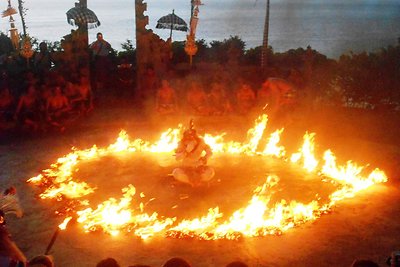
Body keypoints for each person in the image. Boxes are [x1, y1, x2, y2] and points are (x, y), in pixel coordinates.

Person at [172, 121, 215, 187]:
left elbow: (209, 152)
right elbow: (177, 158)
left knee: (210, 172)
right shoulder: (181, 144)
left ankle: (198, 181)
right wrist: (187, 151)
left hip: (199, 167)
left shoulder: (201, 143)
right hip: (186, 168)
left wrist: (205, 158)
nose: (190, 139)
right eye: (188, 137)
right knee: (176, 172)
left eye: (192, 137)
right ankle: (191, 182)